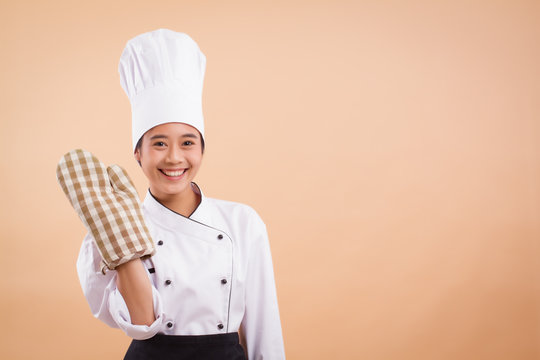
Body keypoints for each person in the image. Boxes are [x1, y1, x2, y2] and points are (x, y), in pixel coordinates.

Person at [76, 29, 286, 359]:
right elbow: (138, 323)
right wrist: (122, 248)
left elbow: (265, 327)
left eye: (188, 142)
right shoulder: (114, 227)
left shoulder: (243, 223)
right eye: (159, 143)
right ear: (138, 153)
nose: (174, 157)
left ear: (202, 149)